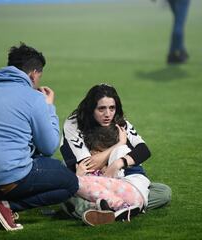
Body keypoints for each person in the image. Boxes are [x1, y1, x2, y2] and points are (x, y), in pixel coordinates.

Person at [0, 43, 79, 231]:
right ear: (34, 74)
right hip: (4, 177)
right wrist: (48, 107)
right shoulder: (33, 97)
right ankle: (7, 207)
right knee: (69, 182)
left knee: (36, 158)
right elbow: (49, 147)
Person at [60, 84, 172, 226]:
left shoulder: (119, 121)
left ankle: (106, 210)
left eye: (112, 108)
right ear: (90, 109)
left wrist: (118, 163)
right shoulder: (74, 123)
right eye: (101, 108)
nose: (108, 114)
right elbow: (88, 165)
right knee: (66, 188)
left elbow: (144, 150)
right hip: (87, 178)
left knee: (163, 192)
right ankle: (104, 209)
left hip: (116, 182)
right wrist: (118, 145)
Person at [75, 124, 150, 225]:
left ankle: (118, 207)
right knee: (73, 191)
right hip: (135, 199)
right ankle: (110, 212)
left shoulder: (121, 151)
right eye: (93, 151)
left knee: (74, 183)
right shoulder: (90, 165)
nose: (94, 154)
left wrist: (79, 177)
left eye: (98, 152)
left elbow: (105, 181)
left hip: (131, 190)